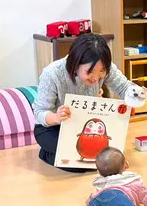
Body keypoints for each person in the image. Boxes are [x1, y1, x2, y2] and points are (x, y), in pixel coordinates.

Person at [32, 34, 139, 171]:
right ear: (75, 63)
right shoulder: (52, 74)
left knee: (102, 159)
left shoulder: (103, 66)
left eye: (102, 71)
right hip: (53, 127)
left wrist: (135, 94)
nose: (96, 77)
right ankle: (46, 153)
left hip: (86, 126)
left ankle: (60, 153)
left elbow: (123, 87)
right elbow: (39, 112)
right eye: (90, 72)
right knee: (79, 163)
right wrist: (57, 117)